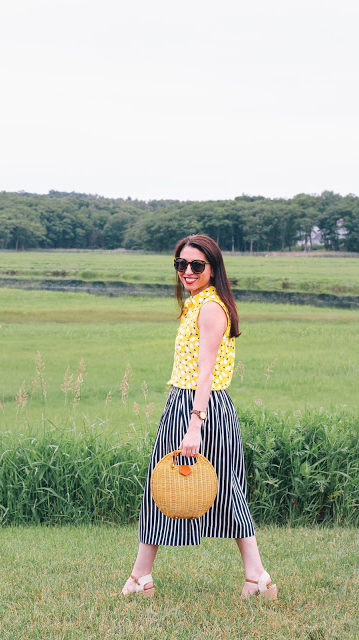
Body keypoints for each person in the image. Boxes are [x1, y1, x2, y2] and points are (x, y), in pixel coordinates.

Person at [121, 234, 277, 600]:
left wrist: (194, 424)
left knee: (170, 487)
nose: (187, 271)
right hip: (192, 404)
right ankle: (255, 578)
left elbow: (205, 371)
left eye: (196, 265)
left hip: (199, 408)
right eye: (181, 264)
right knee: (203, 488)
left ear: (213, 268)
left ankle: (141, 577)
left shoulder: (210, 308)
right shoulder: (197, 304)